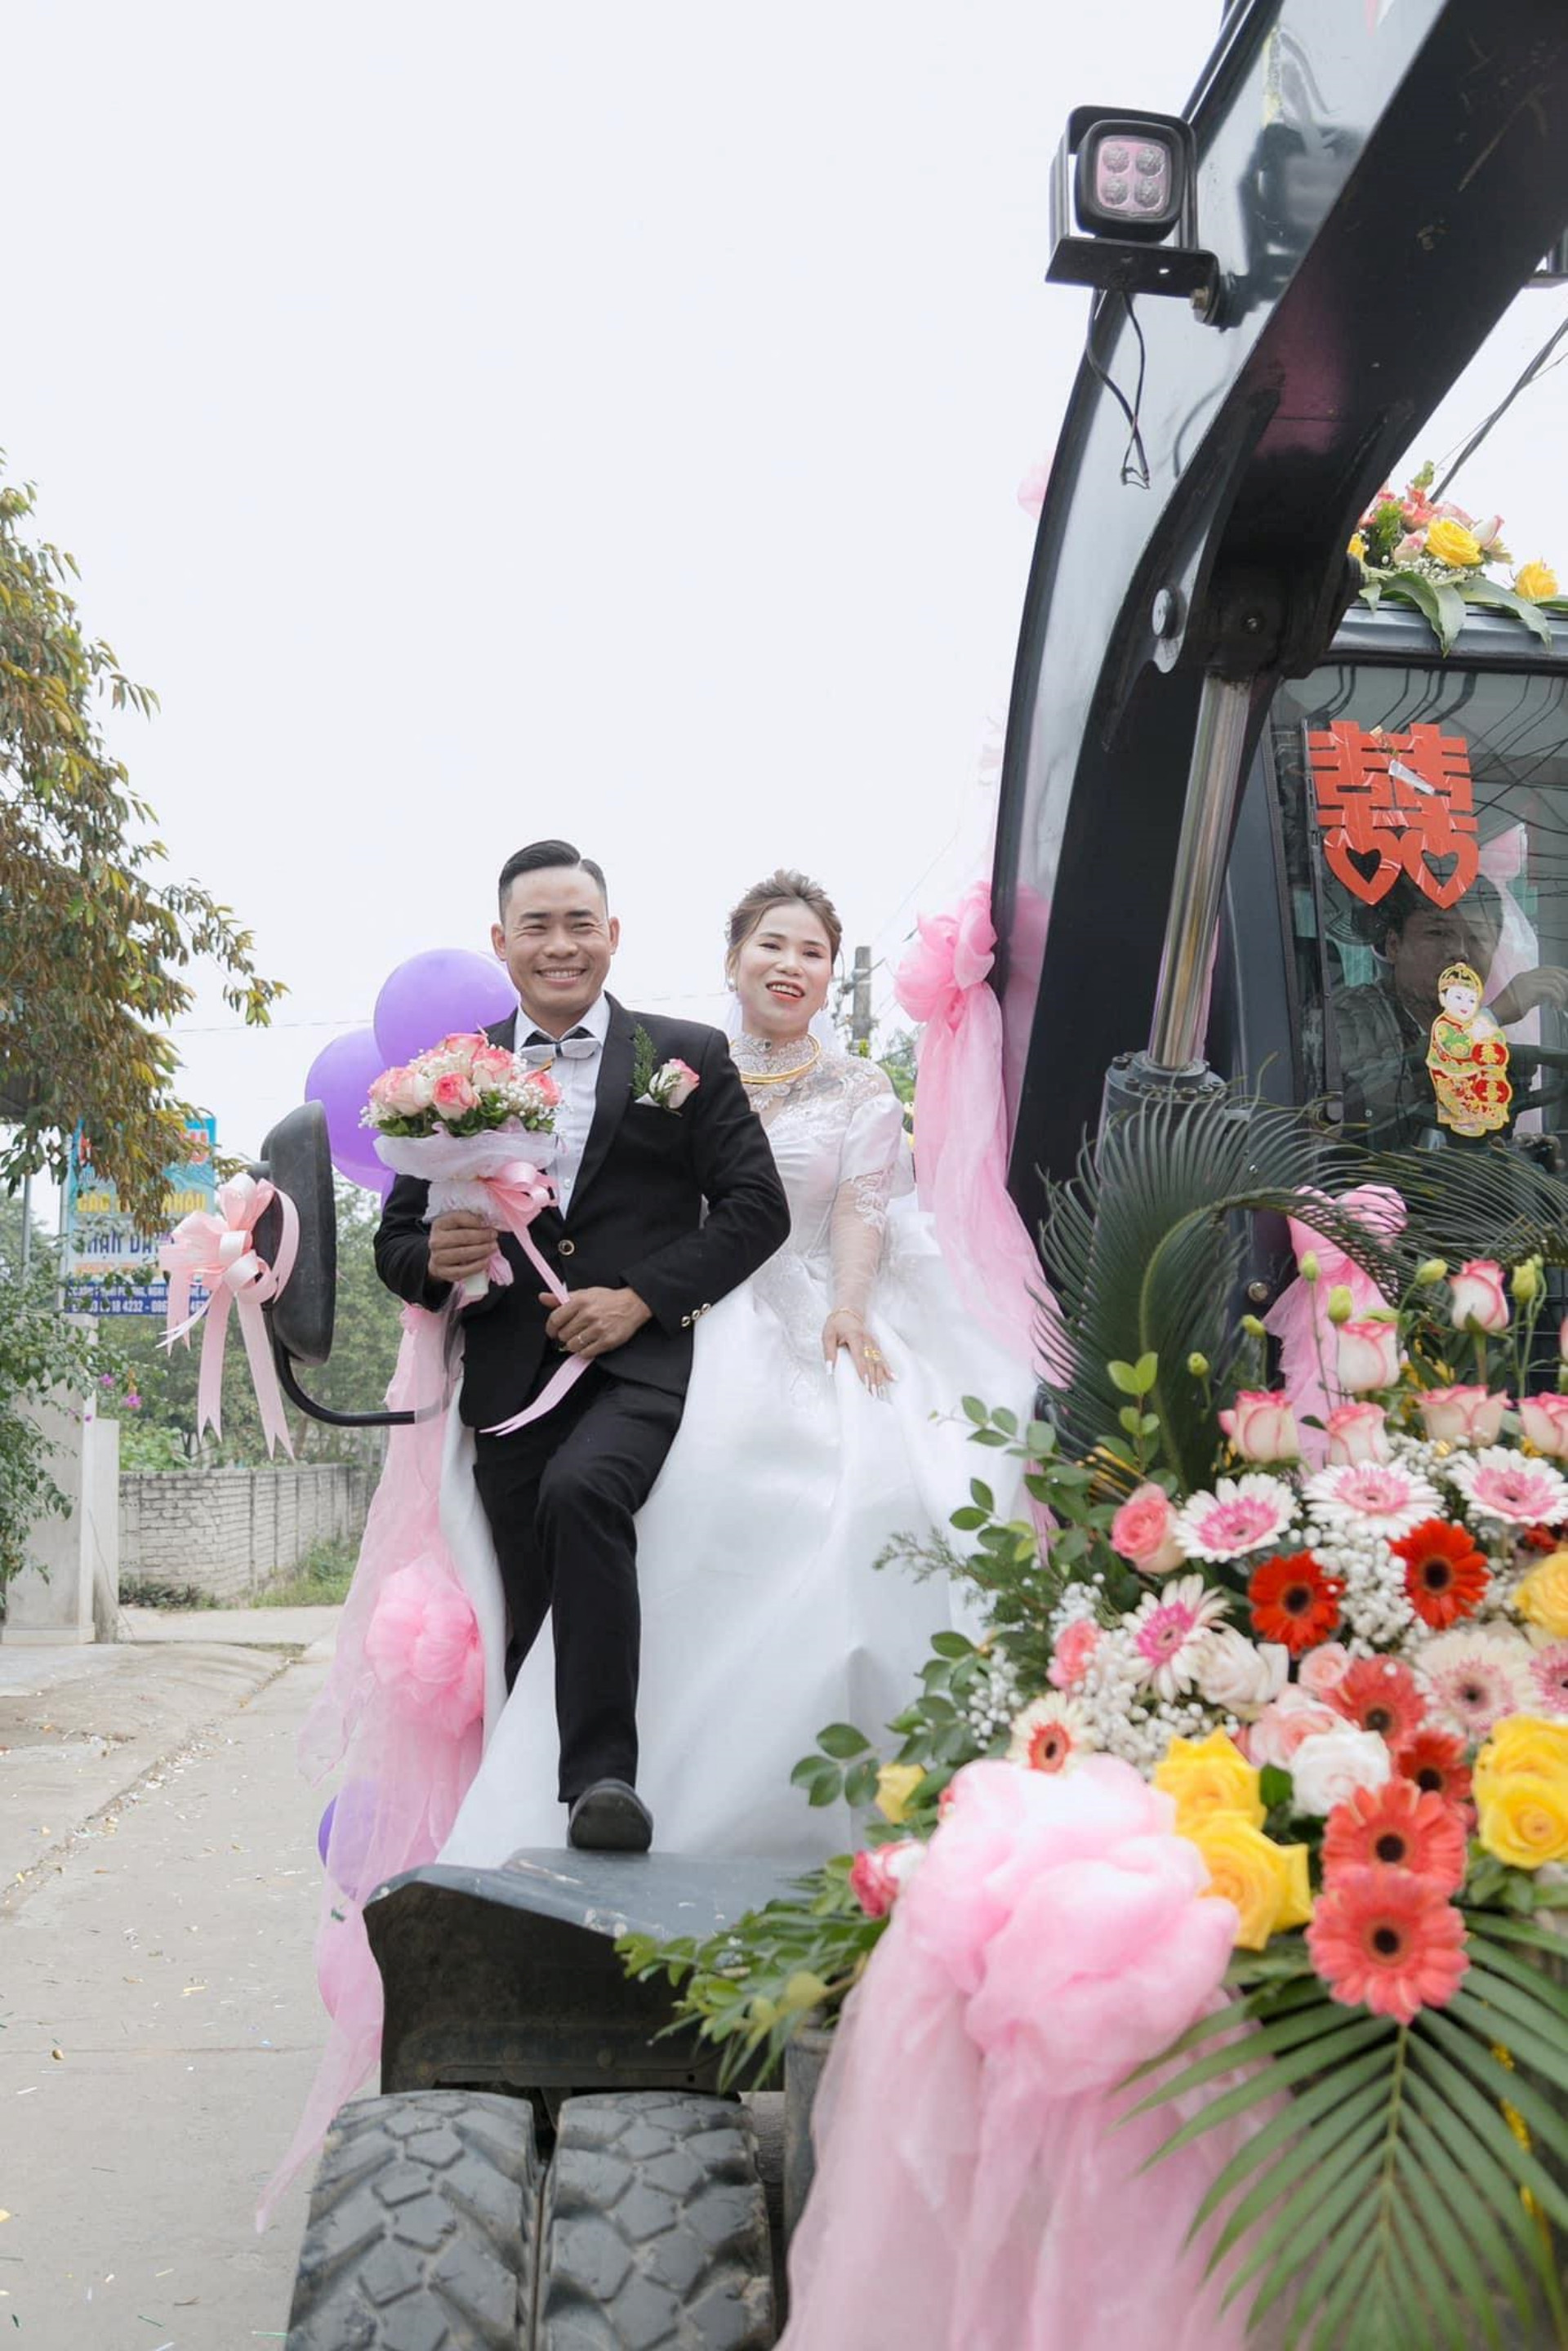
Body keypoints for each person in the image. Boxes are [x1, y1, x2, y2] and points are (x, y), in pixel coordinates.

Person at [438, 867, 1036, 1866]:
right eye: (772, 944)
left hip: (793, 1303)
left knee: (840, 1502)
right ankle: (594, 1779)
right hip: (691, 1311)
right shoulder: (679, 1062)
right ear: (733, 961)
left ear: (832, 975)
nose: (790, 965)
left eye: (813, 952)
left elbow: (861, 1208)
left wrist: (848, 1307)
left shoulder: (856, 1086)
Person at [374, 839, 791, 1853]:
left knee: (584, 1490)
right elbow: (395, 1242)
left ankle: (604, 1781)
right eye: (537, 926)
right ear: (501, 941)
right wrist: (435, 1256)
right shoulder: (446, 1075)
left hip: (637, 1366)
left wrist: (642, 1298)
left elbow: (758, 1207)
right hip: (507, 1382)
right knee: (524, 1606)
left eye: (579, 924)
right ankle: (533, 1837)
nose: (560, 945)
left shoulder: (685, 1054)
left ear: (612, 934)